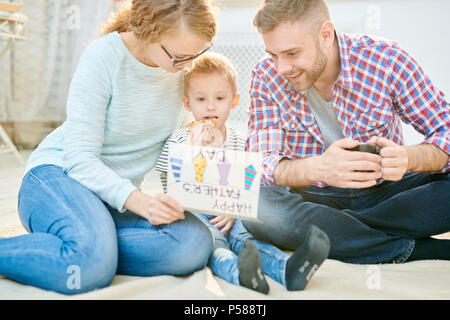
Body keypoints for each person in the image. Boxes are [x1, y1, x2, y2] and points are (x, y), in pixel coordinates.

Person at [0, 0, 220, 294]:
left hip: (113, 199)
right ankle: (88, 248)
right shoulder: (104, 56)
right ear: (149, 32)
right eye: (181, 57)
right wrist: (141, 202)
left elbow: (176, 149)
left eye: (198, 54)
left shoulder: (182, 67)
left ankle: (82, 243)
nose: (189, 67)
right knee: (88, 267)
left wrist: (204, 154)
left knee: (193, 244)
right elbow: (79, 159)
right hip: (57, 177)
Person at [243, 0, 450, 264]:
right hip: (317, 198)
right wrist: (317, 168)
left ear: (325, 35)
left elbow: (445, 128)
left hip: (388, 194)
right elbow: (258, 164)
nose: (281, 67)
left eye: (292, 53)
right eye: (273, 55)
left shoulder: (385, 58)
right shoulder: (265, 76)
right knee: (256, 205)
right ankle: (416, 250)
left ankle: (339, 232)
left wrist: (409, 157)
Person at [155, 52, 331, 293]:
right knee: (213, 243)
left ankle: (289, 268)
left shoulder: (241, 142)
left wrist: (233, 209)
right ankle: (241, 275)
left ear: (234, 101)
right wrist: (192, 154)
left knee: (247, 238)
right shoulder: (178, 141)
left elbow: (249, 184)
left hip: (231, 214)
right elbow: (170, 188)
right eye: (200, 99)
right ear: (188, 104)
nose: (210, 106)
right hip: (195, 216)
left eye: (219, 98)